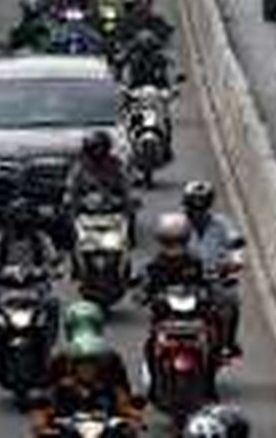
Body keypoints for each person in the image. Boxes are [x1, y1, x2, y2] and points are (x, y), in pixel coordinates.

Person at [32, 301, 140, 435]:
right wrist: (42, 423)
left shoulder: (111, 361)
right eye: (81, 363)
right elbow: (44, 399)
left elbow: (124, 397)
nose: (86, 369)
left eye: (91, 363)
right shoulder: (60, 363)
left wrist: (132, 418)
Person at [141, 213, 213, 398]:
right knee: (150, 346)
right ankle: (155, 384)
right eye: (169, 242)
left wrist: (210, 292)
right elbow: (145, 284)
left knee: (212, 344)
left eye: (178, 242)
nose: (174, 248)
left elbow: (206, 282)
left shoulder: (195, 262)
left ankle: (209, 385)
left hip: (193, 318)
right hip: (166, 319)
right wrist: (143, 292)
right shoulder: (156, 264)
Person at [0, 199, 61, 345]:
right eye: (17, 220)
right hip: (6, 288)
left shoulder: (41, 239)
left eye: (25, 221)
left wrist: (51, 270)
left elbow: (52, 259)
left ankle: (47, 341)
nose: (21, 225)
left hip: (34, 288)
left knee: (52, 304)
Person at [182, 182, 244, 359]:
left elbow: (235, 244)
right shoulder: (178, 224)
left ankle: (227, 343)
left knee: (231, 301)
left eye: (201, 206)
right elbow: (164, 247)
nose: (197, 211)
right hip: (184, 280)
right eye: (193, 205)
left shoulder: (222, 223)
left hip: (213, 278)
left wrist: (234, 262)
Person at [65, 131, 131, 209]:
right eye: (95, 146)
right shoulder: (81, 165)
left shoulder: (114, 163)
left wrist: (126, 199)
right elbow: (72, 184)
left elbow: (124, 183)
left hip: (110, 205)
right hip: (85, 204)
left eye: (103, 146)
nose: (99, 150)